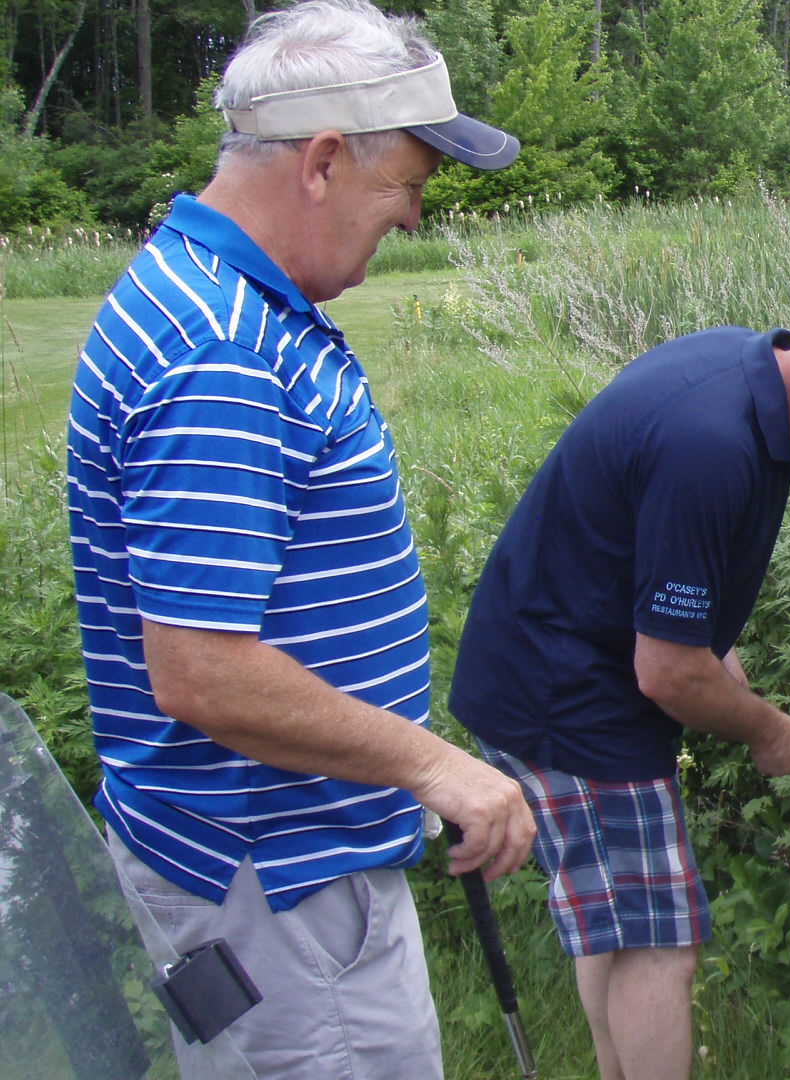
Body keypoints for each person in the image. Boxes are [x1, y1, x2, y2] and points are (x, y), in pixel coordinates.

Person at [65, 2, 534, 1075]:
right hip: (273, 882)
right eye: (407, 183)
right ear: (323, 160)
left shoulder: (226, 300)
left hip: (286, 869)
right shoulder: (219, 348)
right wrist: (434, 767)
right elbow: (201, 674)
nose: (414, 217)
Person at [450, 304, 790, 1080]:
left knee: (620, 923)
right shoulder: (712, 445)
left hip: (562, 666)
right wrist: (769, 730)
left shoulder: (745, 376)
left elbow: (669, 588)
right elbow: (667, 673)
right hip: (564, 694)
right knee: (662, 946)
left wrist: (723, 665)